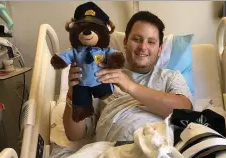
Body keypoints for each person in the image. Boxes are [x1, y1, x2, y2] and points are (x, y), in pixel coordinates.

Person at [63, 11, 193, 143]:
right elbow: (75, 136)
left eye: (151, 42)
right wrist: (73, 93)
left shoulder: (170, 77)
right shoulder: (101, 77)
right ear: (125, 42)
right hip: (114, 152)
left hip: (160, 148)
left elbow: (184, 111)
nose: (143, 47)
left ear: (159, 49)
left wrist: (129, 86)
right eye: (137, 39)